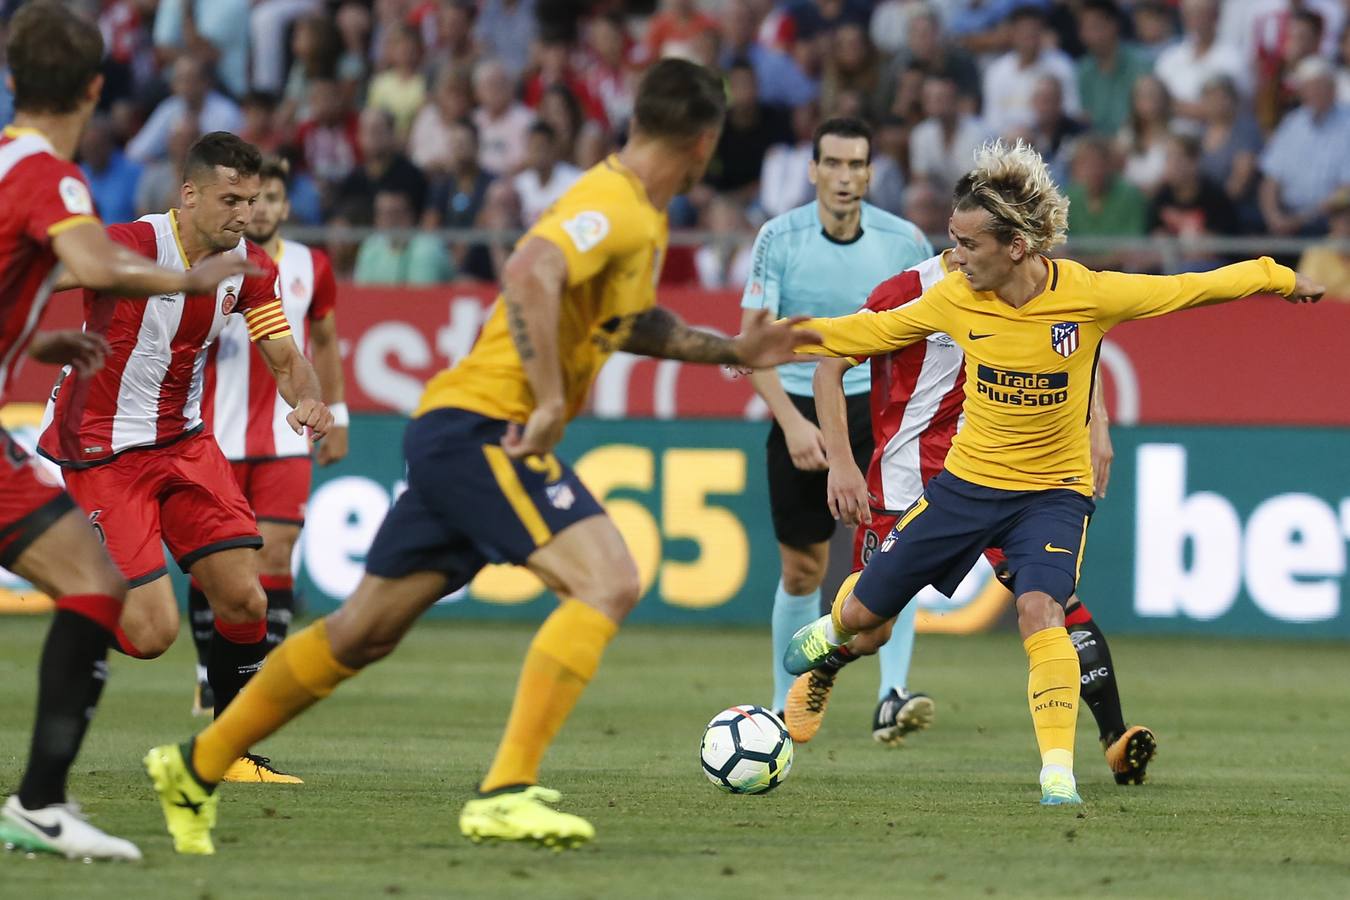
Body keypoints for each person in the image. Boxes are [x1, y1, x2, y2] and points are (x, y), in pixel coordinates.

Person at [144, 58, 818, 856]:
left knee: (360, 633)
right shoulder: (615, 204)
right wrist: (552, 398)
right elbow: (532, 269)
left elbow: (630, 323)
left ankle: (195, 765)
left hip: (453, 428)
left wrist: (732, 348)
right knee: (610, 579)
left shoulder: (632, 207)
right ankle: (505, 790)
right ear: (705, 142)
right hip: (484, 426)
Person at [782, 140, 1322, 806]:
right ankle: (834, 641)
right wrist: (765, 342)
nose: (956, 254)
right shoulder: (949, 295)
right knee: (867, 614)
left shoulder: (1085, 294)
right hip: (959, 482)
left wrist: (1277, 275)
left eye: (968, 243)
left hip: (1050, 495)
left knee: (1044, 608)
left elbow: (1189, 288)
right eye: (950, 241)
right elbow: (852, 337)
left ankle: (1061, 772)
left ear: (1016, 247)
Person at [0, 3, 256, 861]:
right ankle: (39, 803)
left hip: (148, 444)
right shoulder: (51, 178)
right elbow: (99, 266)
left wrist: (35, 341)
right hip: (101, 449)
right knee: (104, 596)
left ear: (11, 78)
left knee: (96, 590)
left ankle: (39, 804)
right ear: (96, 87)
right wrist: (195, 276)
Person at [795, 249, 1159, 787]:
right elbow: (832, 363)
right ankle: (826, 664)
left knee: (1051, 603)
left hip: (998, 474)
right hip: (904, 476)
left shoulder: (1028, 284)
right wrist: (842, 464)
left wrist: (1096, 423)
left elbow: (1073, 342)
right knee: (872, 626)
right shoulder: (911, 291)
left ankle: (1115, 739)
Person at [38, 132, 333, 785]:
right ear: (189, 194)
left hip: (183, 441)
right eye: (231, 199)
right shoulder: (132, 244)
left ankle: (227, 755)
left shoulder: (250, 266)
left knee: (246, 602)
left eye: (252, 201)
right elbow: (39, 275)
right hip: (103, 449)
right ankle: (61, 573)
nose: (245, 214)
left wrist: (310, 401)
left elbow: (286, 357)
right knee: (149, 635)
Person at [740, 116, 932, 730]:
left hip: (878, 412)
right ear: (813, 169)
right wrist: (795, 425)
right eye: (834, 164)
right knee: (803, 570)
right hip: (799, 406)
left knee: (892, 559)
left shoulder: (905, 241)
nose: (845, 177)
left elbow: (937, 329)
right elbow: (753, 343)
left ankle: (892, 695)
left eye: (857, 165)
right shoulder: (780, 236)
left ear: (871, 173)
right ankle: (781, 704)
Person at [186, 156, 349, 715]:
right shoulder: (209, 261)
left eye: (270, 200)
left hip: (285, 436)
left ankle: (262, 683)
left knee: (276, 554)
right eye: (247, 201)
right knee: (213, 565)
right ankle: (209, 671)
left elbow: (324, 342)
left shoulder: (311, 266)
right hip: (214, 432)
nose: (259, 212)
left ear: (282, 206)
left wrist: (338, 412)